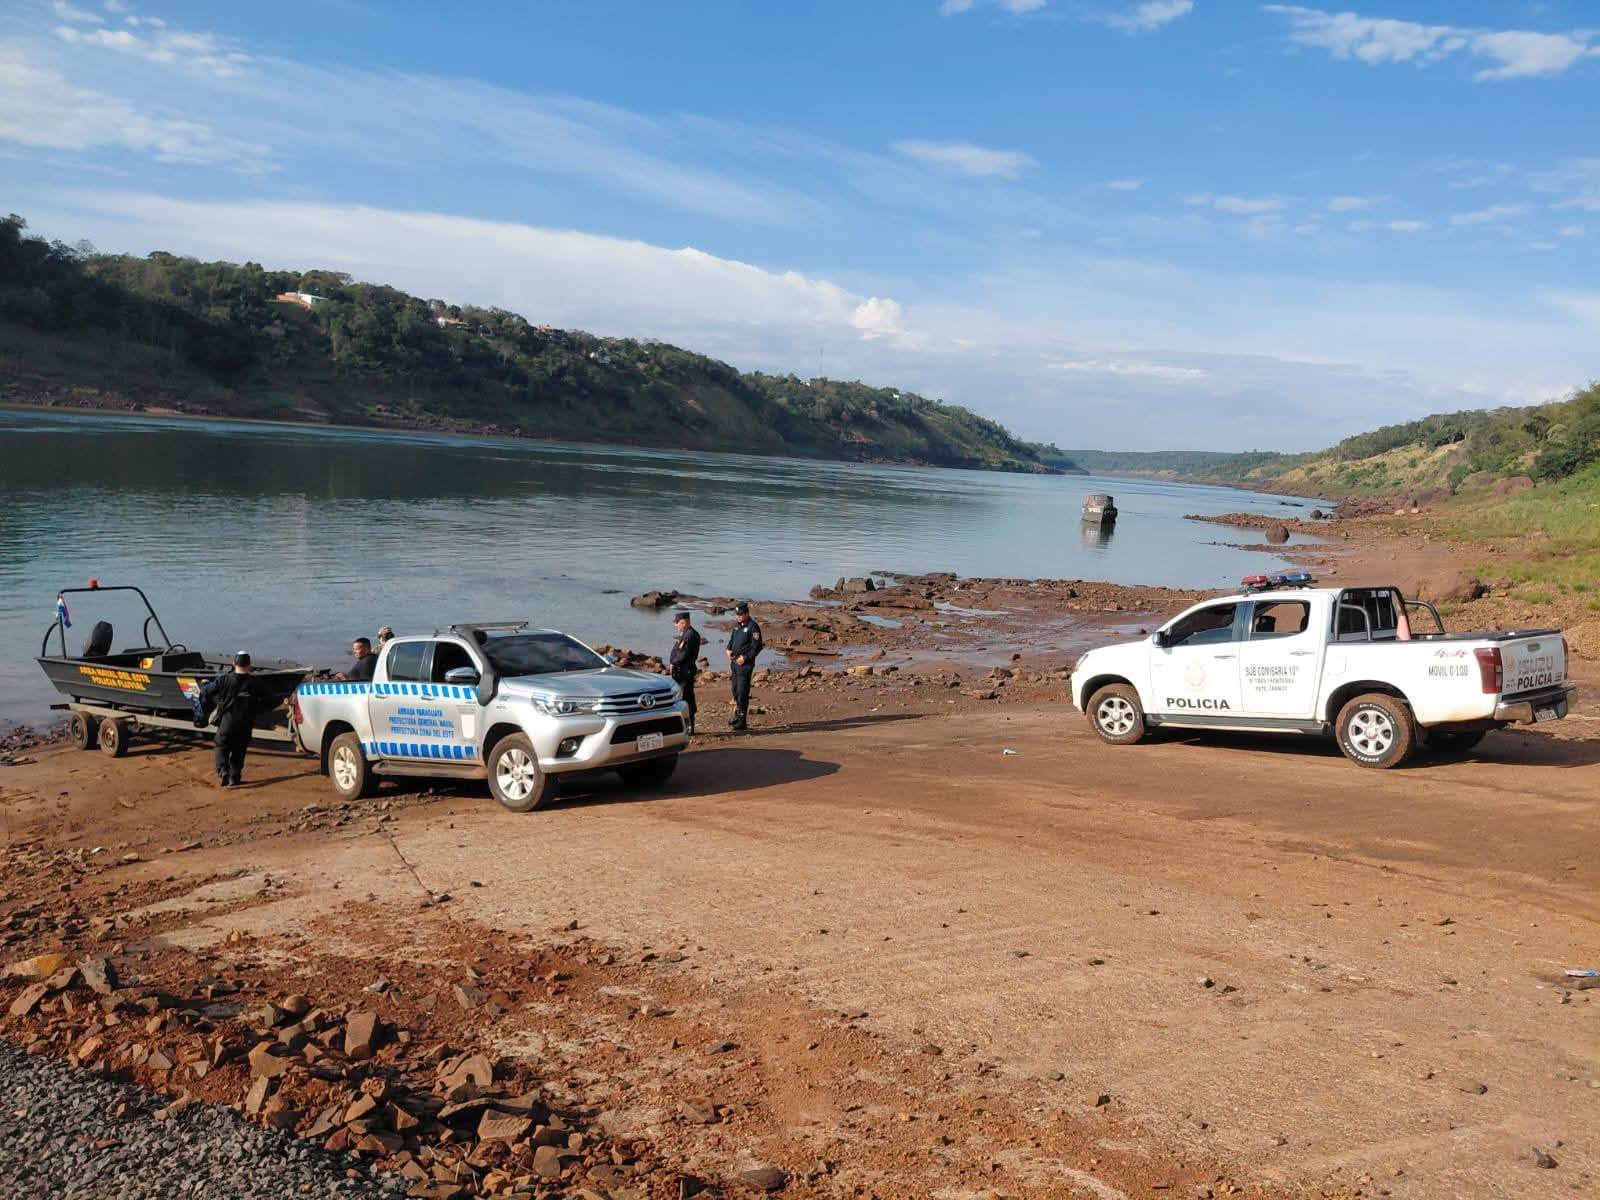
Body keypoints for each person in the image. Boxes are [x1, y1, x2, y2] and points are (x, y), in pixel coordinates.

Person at [203, 652, 271, 788]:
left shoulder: (224, 680)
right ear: (249, 665)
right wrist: (257, 710)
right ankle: (235, 777)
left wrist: (219, 702)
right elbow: (274, 699)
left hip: (227, 722)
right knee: (239, 750)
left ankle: (223, 772)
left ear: (233, 664)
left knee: (221, 746)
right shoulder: (255, 682)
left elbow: (206, 692)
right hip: (246, 722)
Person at [725, 601, 763, 731]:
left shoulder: (753, 627)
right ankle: (737, 715)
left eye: (740, 614)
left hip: (744, 664)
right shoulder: (737, 626)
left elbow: (757, 646)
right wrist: (728, 649)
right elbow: (732, 640)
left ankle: (742, 721)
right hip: (734, 663)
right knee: (735, 690)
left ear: (746, 614)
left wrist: (745, 658)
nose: (738, 616)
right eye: (737, 614)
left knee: (742, 691)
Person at [668, 611, 702, 735]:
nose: (676, 626)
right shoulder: (685, 634)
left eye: (677, 623)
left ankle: (689, 727)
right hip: (681, 671)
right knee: (682, 697)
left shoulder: (690, 635)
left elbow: (683, 655)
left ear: (684, 622)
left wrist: (673, 663)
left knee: (686, 698)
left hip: (685, 672)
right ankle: (683, 726)